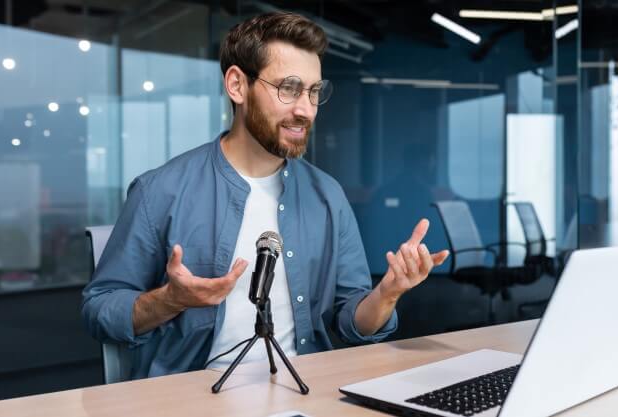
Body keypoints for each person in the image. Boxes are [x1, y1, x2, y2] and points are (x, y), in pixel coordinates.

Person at [82, 11, 449, 379]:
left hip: (305, 389)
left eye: (314, 92)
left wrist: (386, 294)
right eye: (288, 88)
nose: (305, 109)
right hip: (197, 397)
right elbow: (100, 310)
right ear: (237, 85)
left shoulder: (327, 196)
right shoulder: (159, 191)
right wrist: (169, 300)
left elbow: (351, 319)